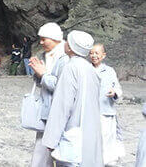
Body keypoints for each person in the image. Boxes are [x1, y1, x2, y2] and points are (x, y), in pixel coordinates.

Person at [42, 30, 103, 166]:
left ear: (70, 47)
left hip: (73, 132)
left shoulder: (70, 68)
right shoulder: (90, 69)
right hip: (90, 131)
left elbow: (62, 106)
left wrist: (51, 140)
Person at [28, 22, 70, 167]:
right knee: (41, 149)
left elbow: (62, 87)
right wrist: (37, 73)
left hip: (58, 112)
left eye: (44, 39)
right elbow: (42, 83)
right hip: (47, 109)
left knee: (57, 151)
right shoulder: (47, 55)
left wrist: (43, 73)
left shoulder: (64, 58)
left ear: (54, 38)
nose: (41, 42)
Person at [90, 43, 125, 166]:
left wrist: (114, 92)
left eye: (96, 53)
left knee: (106, 142)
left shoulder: (110, 71)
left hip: (106, 113)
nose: (93, 56)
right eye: (91, 53)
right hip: (89, 113)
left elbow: (118, 88)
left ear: (103, 55)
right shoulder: (86, 70)